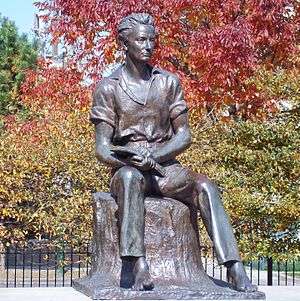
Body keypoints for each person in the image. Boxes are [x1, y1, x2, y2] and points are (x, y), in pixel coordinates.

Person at [90, 12, 257, 293]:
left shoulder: (168, 83)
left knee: (205, 186)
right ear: (124, 43)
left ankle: (233, 266)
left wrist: (156, 157)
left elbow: (184, 135)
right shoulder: (108, 87)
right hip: (127, 167)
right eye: (141, 40)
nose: (148, 46)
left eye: (152, 40)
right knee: (131, 179)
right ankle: (136, 263)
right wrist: (129, 158)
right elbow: (102, 148)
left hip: (164, 166)